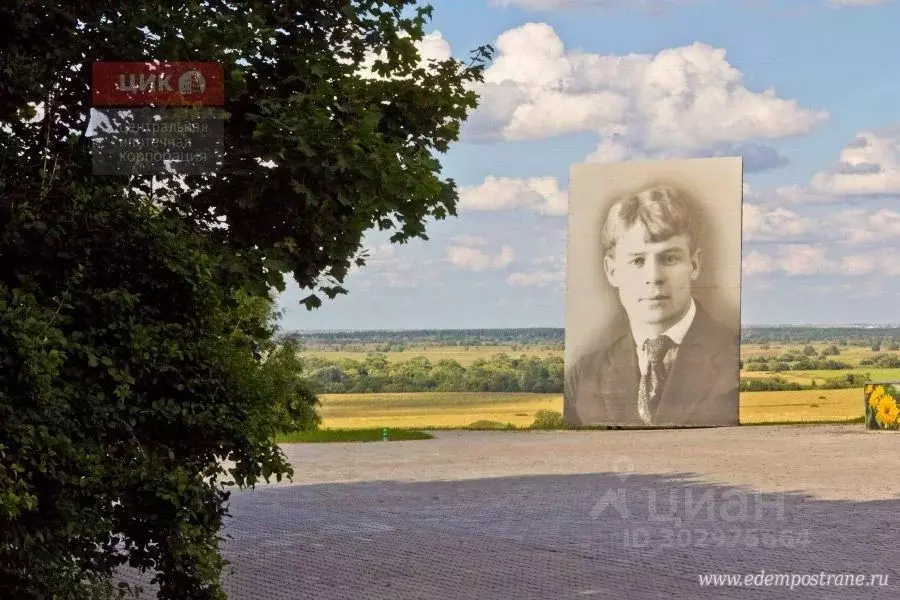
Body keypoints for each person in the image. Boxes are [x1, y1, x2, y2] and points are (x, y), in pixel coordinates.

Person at [564, 183, 739, 427]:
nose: (654, 276)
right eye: (637, 261)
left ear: (695, 264)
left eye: (669, 258)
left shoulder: (734, 360)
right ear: (612, 271)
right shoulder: (584, 376)